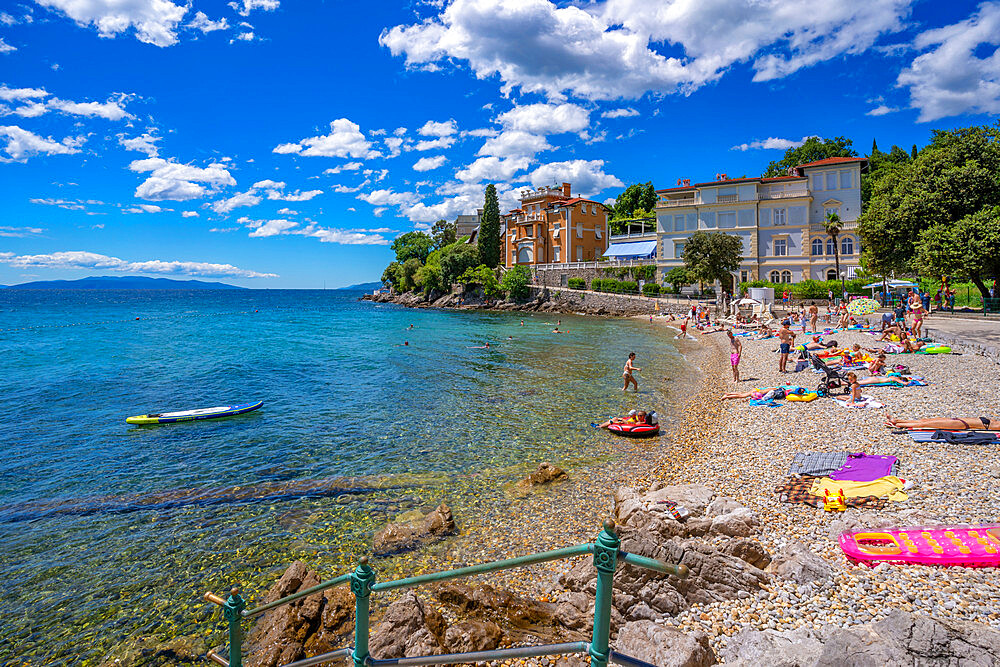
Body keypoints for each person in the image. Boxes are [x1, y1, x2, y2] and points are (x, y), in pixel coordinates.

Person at [885, 415, 999, 431]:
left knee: (926, 424)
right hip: (969, 420)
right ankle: (898, 420)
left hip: (967, 424)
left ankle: (899, 424)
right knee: (926, 421)